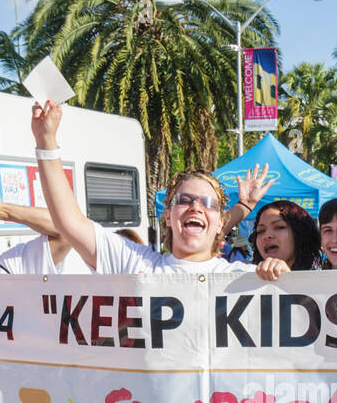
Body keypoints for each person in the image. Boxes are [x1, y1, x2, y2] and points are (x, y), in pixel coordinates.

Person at [29, 103, 288, 280]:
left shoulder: (241, 278)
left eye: (207, 203)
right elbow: (69, 222)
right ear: (167, 215)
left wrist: (281, 276)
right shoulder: (135, 263)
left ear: (221, 222)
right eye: (184, 200)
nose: (195, 207)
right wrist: (46, 141)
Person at [250, 200, 321, 271]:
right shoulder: (246, 274)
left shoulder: (322, 278)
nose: (267, 235)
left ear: (300, 233)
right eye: (261, 231)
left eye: (279, 227)